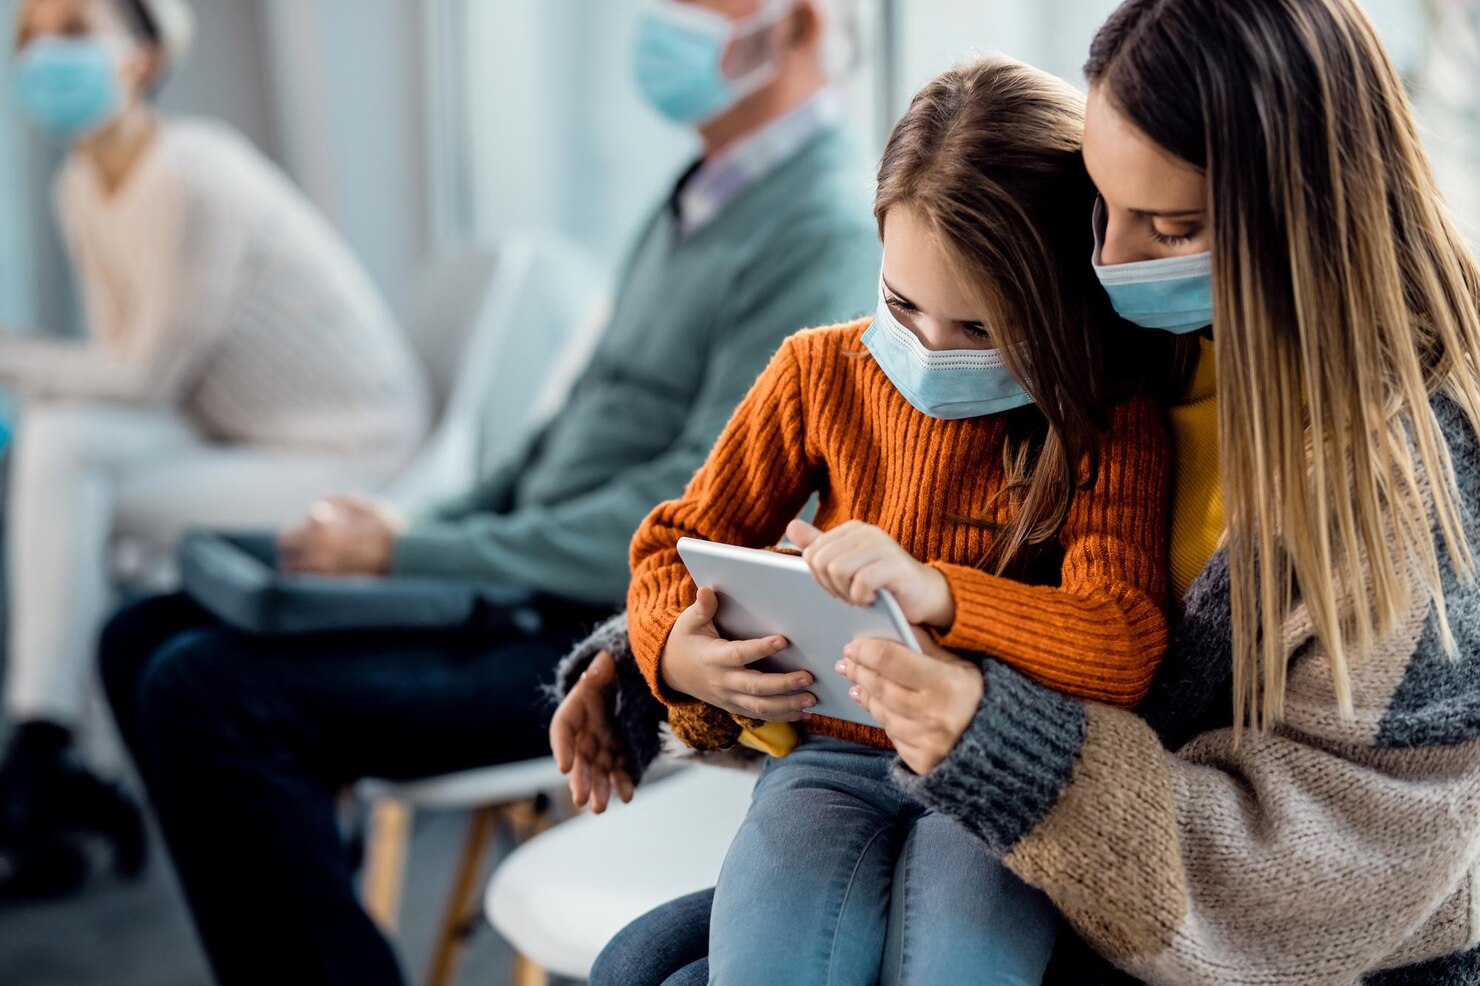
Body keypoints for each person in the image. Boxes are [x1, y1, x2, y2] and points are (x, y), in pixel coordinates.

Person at [553, 0, 1480, 982]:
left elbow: (1336, 867)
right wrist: (659, 647)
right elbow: (930, 537)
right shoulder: (1143, 340)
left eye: (1168, 225)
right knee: (643, 959)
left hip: (1246, 925)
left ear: (1301, 214)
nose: (1109, 264)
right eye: (1097, 210)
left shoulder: (1406, 473)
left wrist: (1000, 742)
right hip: (1036, 820)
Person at [99, 1, 880, 983]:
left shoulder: (820, 222)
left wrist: (409, 556)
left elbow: (690, 512)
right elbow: (566, 434)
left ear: (799, 24)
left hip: (591, 626)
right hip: (510, 582)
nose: (657, 20)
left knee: (204, 692)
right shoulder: (706, 189)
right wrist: (415, 525)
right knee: (137, 635)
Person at [619, 54, 1183, 985]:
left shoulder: (1103, 415)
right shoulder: (818, 371)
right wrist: (678, 661)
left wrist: (937, 594)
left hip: (995, 773)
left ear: (1063, 307)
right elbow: (664, 551)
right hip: (827, 762)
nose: (926, 352)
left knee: (964, 961)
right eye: (900, 304)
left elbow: (1122, 642)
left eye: (979, 332)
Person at [0, 0, 430, 898]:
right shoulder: (79, 185)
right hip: (237, 433)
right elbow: (117, 375)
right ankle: (58, 753)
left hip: (349, 455)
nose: (44, 54)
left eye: (75, 31)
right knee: (65, 454)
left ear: (145, 57)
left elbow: (141, 373)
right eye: (30, 35)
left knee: (71, 472)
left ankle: (54, 753)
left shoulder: (191, 174)